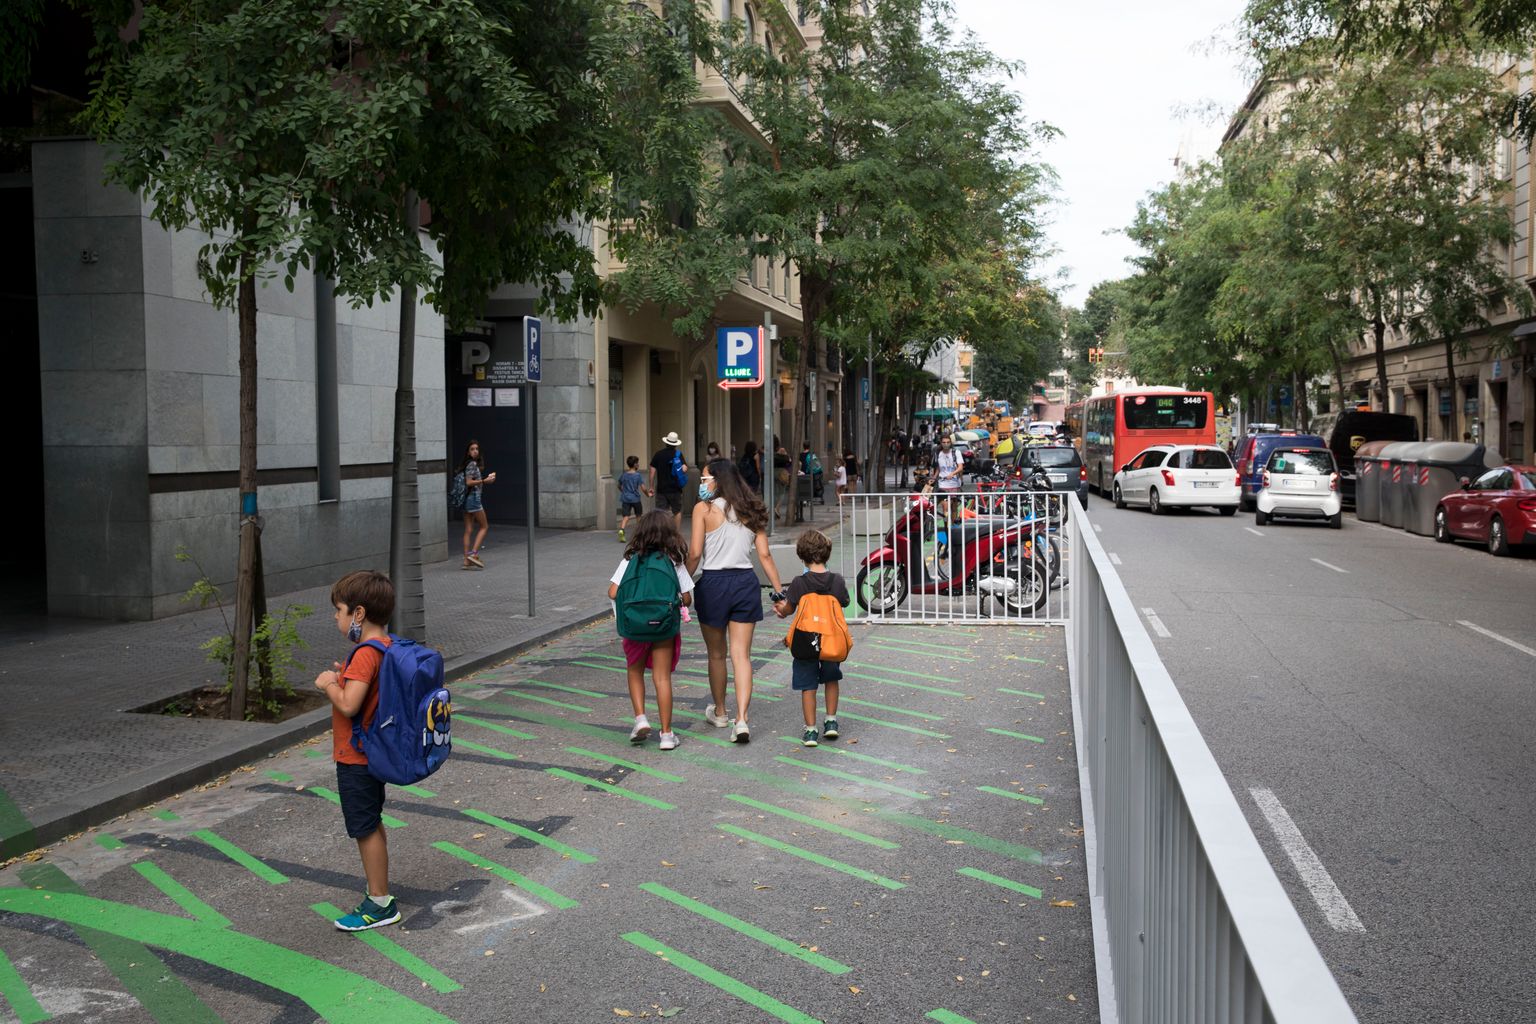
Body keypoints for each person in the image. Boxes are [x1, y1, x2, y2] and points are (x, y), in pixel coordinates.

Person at [313, 569, 402, 931]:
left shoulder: (364, 654)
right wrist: (344, 677)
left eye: (339, 610)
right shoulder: (386, 645)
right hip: (374, 753)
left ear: (359, 614)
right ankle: (380, 893)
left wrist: (327, 685)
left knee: (364, 828)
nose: (336, 617)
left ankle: (379, 903)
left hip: (356, 756)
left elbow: (349, 706)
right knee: (373, 823)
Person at [687, 458, 784, 742]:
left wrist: (678, 583)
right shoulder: (752, 510)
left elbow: (694, 554)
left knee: (716, 654)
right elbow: (765, 556)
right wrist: (779, 593)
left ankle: (720, 712)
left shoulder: (702, 510)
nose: (702, 484)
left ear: (718, 480)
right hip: (745, 583)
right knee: (741, 655)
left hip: (713, 584)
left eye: (705, 479)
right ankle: (741, 720)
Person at [608, 511, 694, 751]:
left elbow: (613, 592)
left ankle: (640, 719)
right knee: (662, 677)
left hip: (634, 626)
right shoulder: (673, 560)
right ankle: (666, 734)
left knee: (634, 671)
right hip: (663, 626)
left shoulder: (630, 559)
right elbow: (687, 598)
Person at [773, 529, 849, 747]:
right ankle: (832, 721)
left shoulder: (799, 583)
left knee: (808, 685)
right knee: (831, 679)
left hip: (805, 640)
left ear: (802, 556)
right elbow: (844, 601)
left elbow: (788, 609)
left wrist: (781, 608)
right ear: (827, 554)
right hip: (831, 639)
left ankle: (811, 730)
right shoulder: (836, 581)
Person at [458, 440, 496, 569]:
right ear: (468, 452)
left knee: (468, 529)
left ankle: (466, 561)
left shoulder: (468, 464)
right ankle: (473, 554)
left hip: (466, 499)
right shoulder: (472, 464)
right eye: (472, 449)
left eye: (477, 449)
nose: (475, 451)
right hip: (473, 499)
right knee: (484, 526)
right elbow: (469, 482)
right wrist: (485, 481)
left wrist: (485, 480)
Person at [648, 431, 689, 526]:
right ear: (676, 444)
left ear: (666, 442)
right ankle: (676, 534)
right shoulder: (678, 454)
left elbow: (652, 472)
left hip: (662, 489)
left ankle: (662, 533)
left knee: (661, 513)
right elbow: (684, 468)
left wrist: (651, 486)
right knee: (677, 511)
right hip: (676, 489)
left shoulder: (658, 454)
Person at [617, 455, 649, 543]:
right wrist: (648, 494)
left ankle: (622, 530)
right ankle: (638, 535)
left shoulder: (624, 475)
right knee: (638, 516)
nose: (638, 465)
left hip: (625, 498)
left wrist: (623, 491)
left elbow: (619, 485)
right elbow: (643, 488)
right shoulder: (637, 475)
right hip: (635, 499)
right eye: (637, 463)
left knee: (626, 516)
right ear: (635, 465)